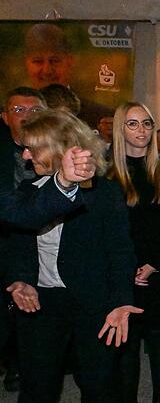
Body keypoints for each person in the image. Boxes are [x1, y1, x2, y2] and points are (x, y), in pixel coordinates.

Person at [5, 110, 140, 402]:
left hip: (93, 303)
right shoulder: (27, 191)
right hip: (39, 302)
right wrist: (20, 280)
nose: (26, 156)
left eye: (33, 148)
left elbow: (120, 250)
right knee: (37, 388)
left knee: (99, 386)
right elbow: (16, 243)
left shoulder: (105, 194)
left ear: (57, 149)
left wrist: (121, 300)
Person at [110, 102, 160, 403]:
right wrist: (127, 268)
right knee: (126, 344)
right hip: (121, 270)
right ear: (120, 128)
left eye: (147, 123)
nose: (141, 130)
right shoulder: (106, 171)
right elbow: (106, 230)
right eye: (132, 124)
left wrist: (153, 264)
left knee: (159, 339)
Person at [0, 86, 48, 391]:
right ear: (5, 118)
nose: (28, 117)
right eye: (20, 110)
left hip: (47, 249)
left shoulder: (62, 153)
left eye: (35, 111)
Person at [23, 23, 114, 128]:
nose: (47, 70)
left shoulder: (100, 118)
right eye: (38, 61)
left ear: (70, 61)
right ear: (26, 63)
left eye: (55, 61)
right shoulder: (11, 118)